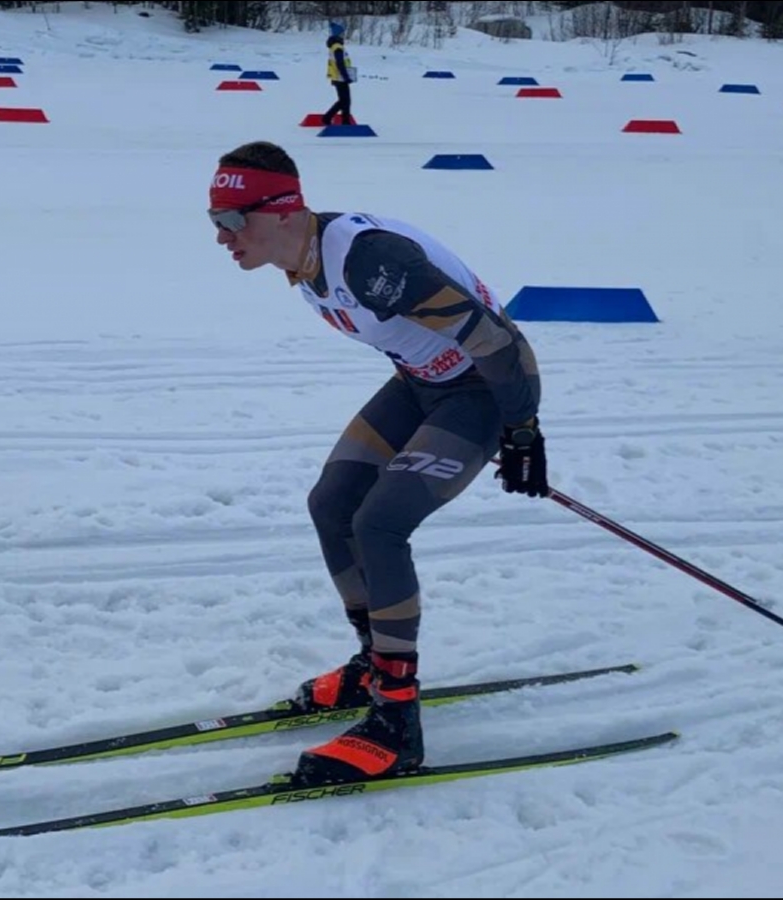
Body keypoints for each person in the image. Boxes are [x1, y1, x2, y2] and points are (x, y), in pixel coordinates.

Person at [207, 141, 550, 786]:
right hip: (422, 384)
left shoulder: (369, 261)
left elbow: (495, 338)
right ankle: (375, 662)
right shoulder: (301, 260)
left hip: (483, 390)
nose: (222, 236)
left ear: (284, 210)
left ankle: (396, 720)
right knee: (332, 504)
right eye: (214, 221)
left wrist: (522, 431)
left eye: (232, 219)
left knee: (381, 523)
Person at [321, 21, 355, 127]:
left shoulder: (335, 46)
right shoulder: (337, 47)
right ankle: (332, 119)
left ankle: (340, 120)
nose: (343, 35)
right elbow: (340, 63)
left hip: (338, 77)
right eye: (341, 33)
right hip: (340, 77)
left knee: (344, 100)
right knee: (345, 101)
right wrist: (346, 77)